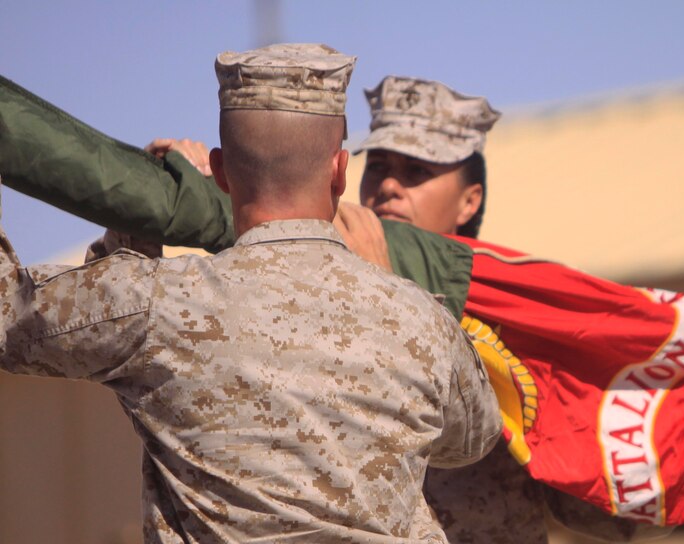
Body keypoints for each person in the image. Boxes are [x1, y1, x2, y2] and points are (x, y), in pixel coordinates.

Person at [0, 71, 684, 542]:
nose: (390, 184)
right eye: (381, 162)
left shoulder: (507, 337)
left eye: (419, 170)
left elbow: (602, 493)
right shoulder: (263, 278)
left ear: (468, 203)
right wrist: (146, 216)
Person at [0, 44, 500, 543]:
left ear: (220, 171)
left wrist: (136, 220)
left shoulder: (156, 305)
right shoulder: (421, 321)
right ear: (341, 170)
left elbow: (10, 320)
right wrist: (395, 294)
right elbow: (472, 438)